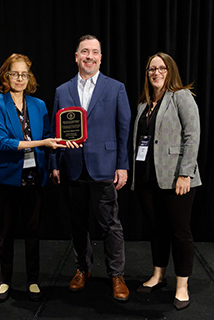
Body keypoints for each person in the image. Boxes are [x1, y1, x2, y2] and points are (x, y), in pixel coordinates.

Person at [49, 35, 132, 301]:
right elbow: (54, 130)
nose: (90, 56)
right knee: (77, 224)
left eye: (95, 52)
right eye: (84, 51)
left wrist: (122, 165)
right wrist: (55, 164)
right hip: (72, 167)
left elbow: (123, 130)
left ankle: (116, 275)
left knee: (110, 224)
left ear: (100, 57)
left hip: (105, 167)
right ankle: (82, 269)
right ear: (76, 56)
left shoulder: (115, 87)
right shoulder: (62, 91)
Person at [0, 53, 66, 303]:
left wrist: (55, 162)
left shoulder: (40, 105)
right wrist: (41, 142)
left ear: (29, 77)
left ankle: (33, 280)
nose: (20, 78)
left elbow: (52, 138)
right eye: (14, 73)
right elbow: (3, 142)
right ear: (5, 77)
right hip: (8, 177)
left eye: (24, 74)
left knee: (33, 231)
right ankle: (5, 280)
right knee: (7, 232)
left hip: (35, 175)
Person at [131, 52, 201, 310]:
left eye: (161, 69)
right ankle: (158, 274)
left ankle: (182, 285)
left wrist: (186, 173)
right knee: (156, 229)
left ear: (170, 71)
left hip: (176, 178)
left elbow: (192, 136)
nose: (156, 73)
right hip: (148, 177)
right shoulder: (143, 104)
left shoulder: (181, 96)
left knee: (180, 232)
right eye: (151, 69)